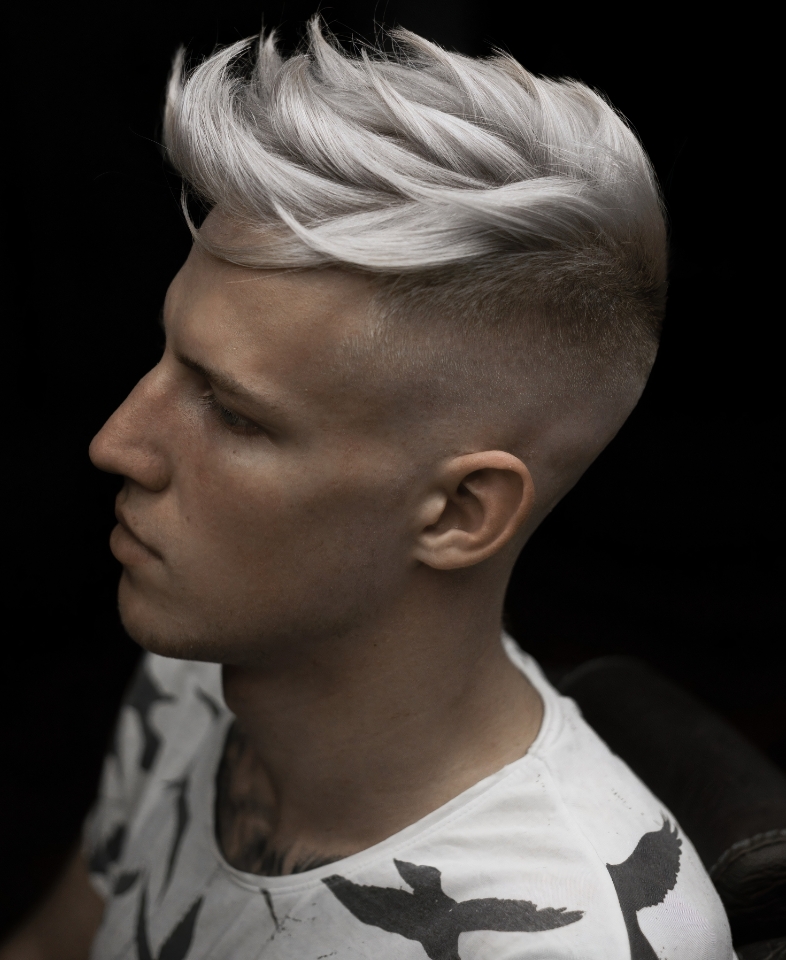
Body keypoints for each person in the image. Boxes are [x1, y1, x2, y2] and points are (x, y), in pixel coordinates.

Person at [1, 18, 735, 960]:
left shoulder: (568, 944)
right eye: (168, 358)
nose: (117, 444)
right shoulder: (203, 670)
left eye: (234, 414)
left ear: (460, 512)